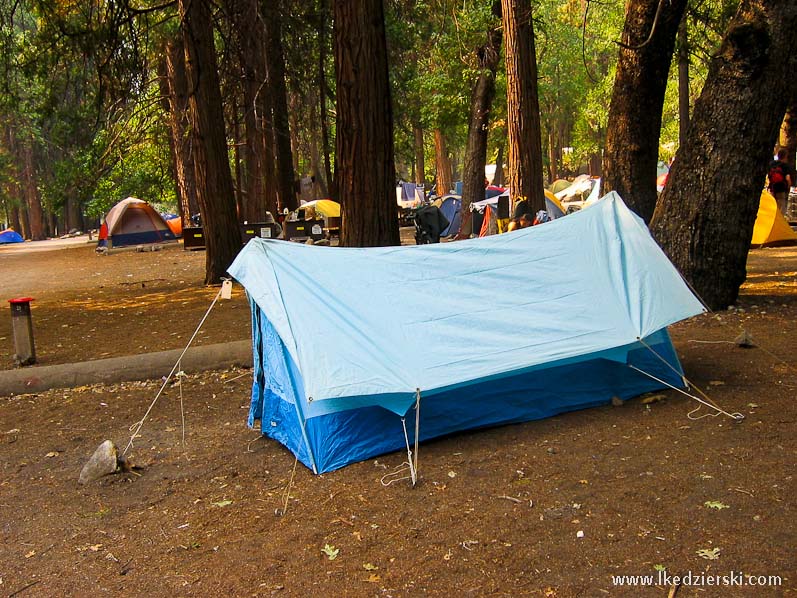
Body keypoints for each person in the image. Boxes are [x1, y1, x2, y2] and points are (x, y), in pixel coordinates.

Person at [768, 149, 793, 215]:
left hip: (772, 189)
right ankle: (780, 223)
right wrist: (789, 187)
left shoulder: (772, 164)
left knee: (773, 208)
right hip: (781, 189)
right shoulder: (785, 165)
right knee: (782, 209)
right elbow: (787, 178)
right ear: (785, 156)